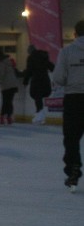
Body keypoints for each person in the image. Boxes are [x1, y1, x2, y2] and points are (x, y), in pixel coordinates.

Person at [51, 19, 84, 192]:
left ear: (75, 34)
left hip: (74, 99)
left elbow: (58, 78)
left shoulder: (67, 51)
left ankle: (73, 168)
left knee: (71, 137)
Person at [22, 44, 55, 125]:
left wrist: (25, 81)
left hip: (36, 81)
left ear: (30, 51)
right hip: (45, 80)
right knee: (39, 98)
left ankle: (39, 116)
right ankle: (41, 115)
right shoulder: (43, 56)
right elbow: (52, 67)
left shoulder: (31, 58)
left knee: (37, 98)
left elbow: (29, 71)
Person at [0, 48, 21, 125]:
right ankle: (9, 118)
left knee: (5, 102)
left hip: (6, 85)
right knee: (9, 102)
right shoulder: (8, 61)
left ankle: (2, 118)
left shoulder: (0, 63)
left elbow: (1, 75)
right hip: (13, 84)